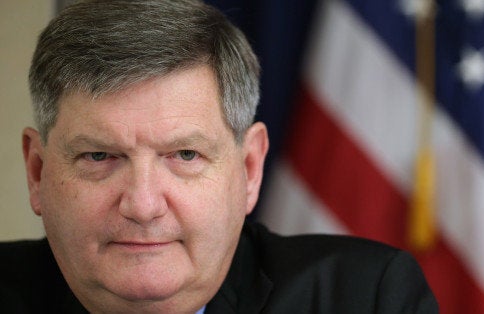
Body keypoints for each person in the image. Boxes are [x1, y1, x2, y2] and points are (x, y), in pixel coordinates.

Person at [0, 0, 438, 313]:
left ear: (249, 169)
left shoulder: (364, 298)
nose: (143, 205)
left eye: (185, 154)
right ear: (37, 172)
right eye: (99, 156)